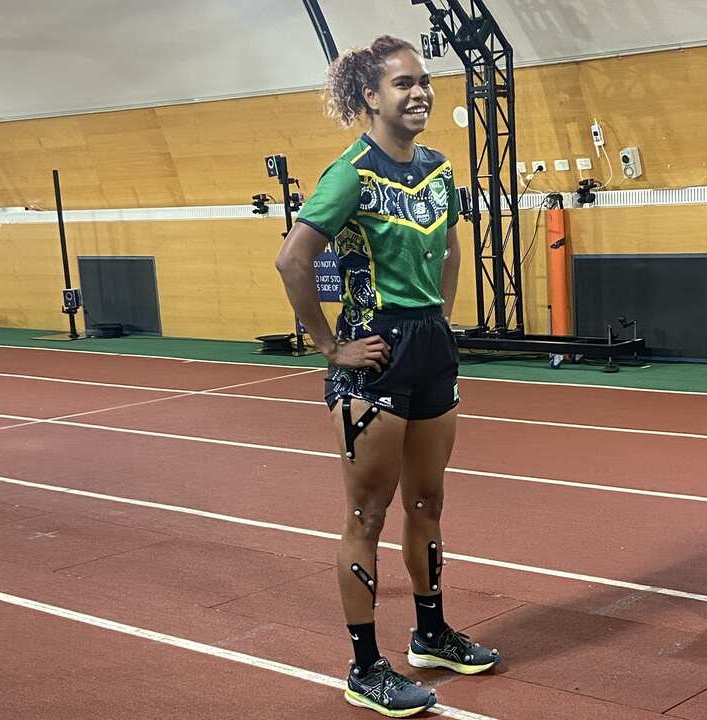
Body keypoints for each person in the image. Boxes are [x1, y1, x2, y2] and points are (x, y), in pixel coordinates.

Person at [274, 34, 499, 717]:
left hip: (430, 345)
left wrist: (440, 320)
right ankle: (365, 666)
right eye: (403, 84)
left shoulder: (438, 170)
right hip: (373, 354)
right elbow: (292, 260)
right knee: (367, 514)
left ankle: (430, 634)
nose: (419, 92)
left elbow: (455, 251)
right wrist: (329, 347)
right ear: (371, 97)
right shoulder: (351, 173)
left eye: (423, 81)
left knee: (427, 502)